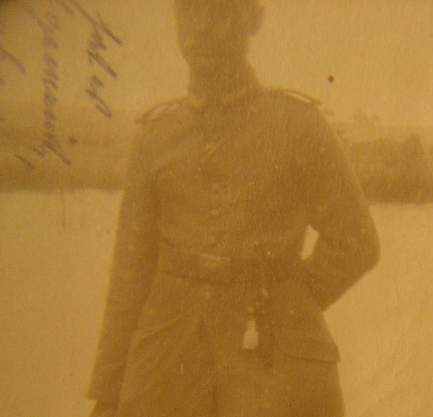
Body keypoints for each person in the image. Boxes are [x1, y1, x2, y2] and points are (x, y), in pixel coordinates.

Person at [88, 1, 380, 416]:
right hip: (166, 361)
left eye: (219, 11)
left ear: (253, 18)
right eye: (188, 12)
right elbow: (129, 277)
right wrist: (108, 392)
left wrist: (285, 303)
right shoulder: (154, 137)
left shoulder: (300, 126)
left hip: (271, 359)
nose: (201, 29)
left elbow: (357, 241)